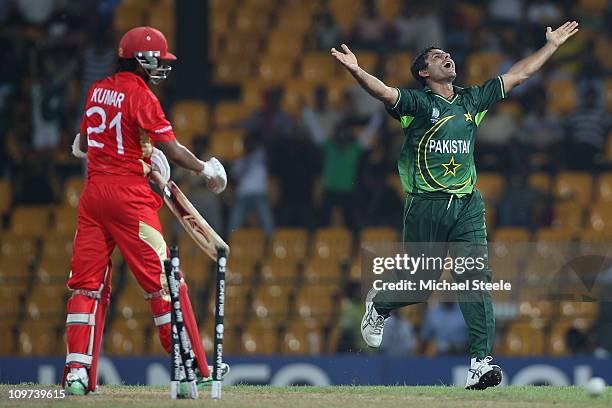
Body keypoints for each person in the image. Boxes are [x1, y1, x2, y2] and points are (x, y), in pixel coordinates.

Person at [331, 21, 579, 389]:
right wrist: (356, 71)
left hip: (467, 205)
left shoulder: (471, 99)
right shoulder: (417, 104)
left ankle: (480, 363)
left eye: (446, 54)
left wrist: (552, 46)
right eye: (436, 56)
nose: (446, 56)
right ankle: (380, 304)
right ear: (423, 72)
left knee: (475, 281)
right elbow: (383, 91)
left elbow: (518, 74)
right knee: (419, 287)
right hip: (425, 205)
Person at [64, 26, 228, 396]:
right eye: (158, 60)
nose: (162, 67)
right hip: (129, 200)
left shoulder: (95, 90)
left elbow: (85, 143)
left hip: (92, 198)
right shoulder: (141, 96)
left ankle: (76, 373)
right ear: (141, 59)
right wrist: (205, 169)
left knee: (85, 287)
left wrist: (141, 154)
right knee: (165, 286)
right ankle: (190, 370)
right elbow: (172, 150)